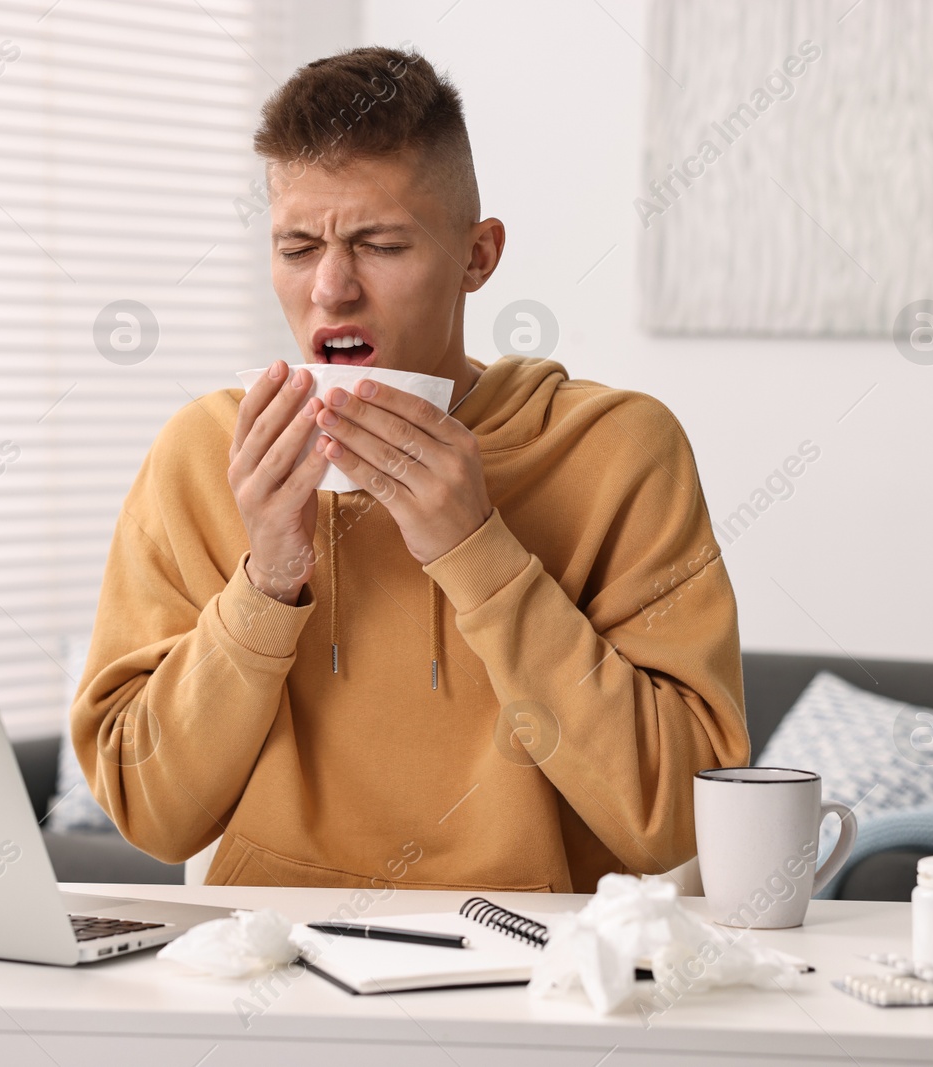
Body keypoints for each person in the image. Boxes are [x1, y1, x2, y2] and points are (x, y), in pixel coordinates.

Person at [71, 46, 750, 893]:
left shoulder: (621, 449)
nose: (330, 288)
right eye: (296, 246)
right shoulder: (205, 454)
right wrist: (268, 580)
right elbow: (150, 811)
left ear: (478, 256)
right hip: (273, 967)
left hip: (538, 978)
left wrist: (479, 552)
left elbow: (677, 819)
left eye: (379, 243)